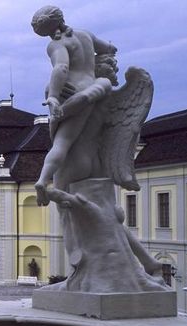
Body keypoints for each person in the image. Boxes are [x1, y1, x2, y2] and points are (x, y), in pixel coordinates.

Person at [31, 5, 118, 206]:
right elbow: (109, 49)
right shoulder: (85, 35)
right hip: (90, 88)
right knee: (69, 140)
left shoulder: (56, 44)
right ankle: (46, 180)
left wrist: (52, 95)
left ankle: (43, 180)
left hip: (73, 94)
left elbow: (61, 67)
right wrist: (109, 54)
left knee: (63, 141)